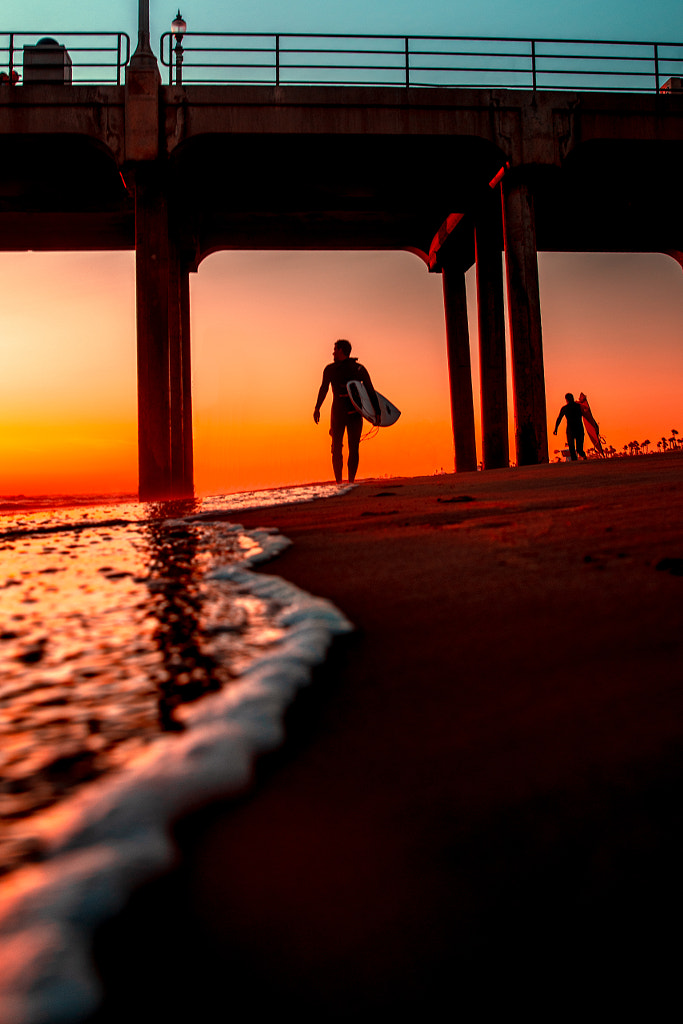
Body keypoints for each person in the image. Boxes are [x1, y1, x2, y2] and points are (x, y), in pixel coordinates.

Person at [313, 338, 381, 483]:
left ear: (342, 351)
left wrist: (378, 412)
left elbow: (370, 390)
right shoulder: (331, 370)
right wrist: (317, 407)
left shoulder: (358, 369)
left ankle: (350, 481)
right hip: (338, 414)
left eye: (335, 349)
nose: (333, 352)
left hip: (353, 414)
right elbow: (323, 389)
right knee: (336, 449)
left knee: (352, 448)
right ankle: (340, 482)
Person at [553, 392, 587, 461]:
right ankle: (579, 461)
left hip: (574, 430)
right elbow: (559, 418)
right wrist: (556, 428)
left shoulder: (575, 407)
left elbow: (559, 419)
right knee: (575, 449)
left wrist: (556, 429)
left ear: (566, 400)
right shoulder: (577, 406)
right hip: (576, 430)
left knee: (576, 449)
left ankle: (581, 459)